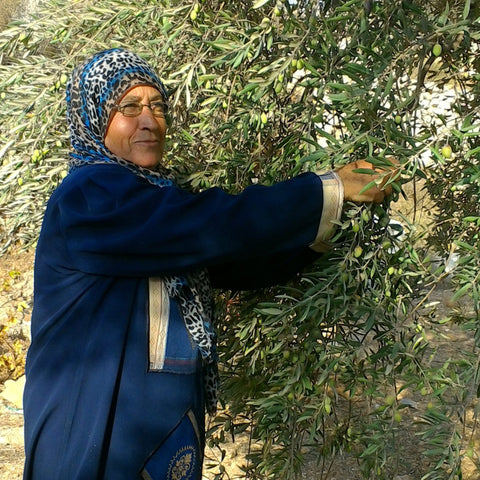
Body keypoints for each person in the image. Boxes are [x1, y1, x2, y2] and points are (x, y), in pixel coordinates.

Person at [23, 48, 396, 480]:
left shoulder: (153, 200)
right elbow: (212, 225)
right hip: (93, 425)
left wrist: (330, 224)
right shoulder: (88, 195)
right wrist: (324, 190)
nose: (149, 120)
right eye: (128, 107)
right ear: (93, 118)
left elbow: (237, 263)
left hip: (162, 430)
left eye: (157, 106)